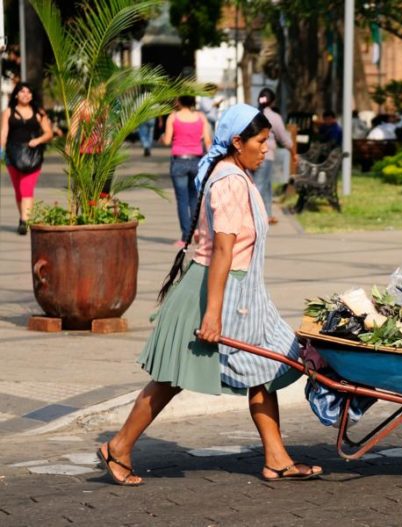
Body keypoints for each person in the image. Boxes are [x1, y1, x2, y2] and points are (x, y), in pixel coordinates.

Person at [95, 104, 323, 487]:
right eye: (261, 141)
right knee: (172, 375)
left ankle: (277, 457)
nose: (267, 149)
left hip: (244, 292)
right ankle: (118, 447)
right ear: (237, 142)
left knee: (267, 367)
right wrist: (213, 313)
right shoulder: (230, 181)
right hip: (219, 292)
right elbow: (222, 249)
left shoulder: (234, 173)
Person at [0, 82, 54, 235]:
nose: (25, 94)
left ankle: (24, 221)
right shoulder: (8, 112)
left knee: (26, 188)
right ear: (16, 94)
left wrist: (37, 141)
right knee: (18, 191)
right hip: (12, 156)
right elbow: (4, 132)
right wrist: (1, 151)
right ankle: (23, 217)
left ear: (32, 96)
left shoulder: (39, 112)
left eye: (28, 92)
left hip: (33, 156)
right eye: (22, 91)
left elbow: (49, 133)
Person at [162, 95, 212, 246]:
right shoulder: (201, 117)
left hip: (179, 161)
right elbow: (208, 141)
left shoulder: (173, 117)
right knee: (195, 198)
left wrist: (162, 138)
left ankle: (185, 237)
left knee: (182, 200)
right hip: (197, 160)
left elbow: (167, 141)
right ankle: (196, 230)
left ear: (179, 102)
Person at [252, 88, 295, 225]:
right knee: (259, 186)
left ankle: (268, 214)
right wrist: (294, 153)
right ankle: (254, 217)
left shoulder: (252, 114)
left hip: (250, 153)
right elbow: (284, 138)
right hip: (266, 155)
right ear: (272, 101)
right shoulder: (274, 117)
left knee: (265, 185)